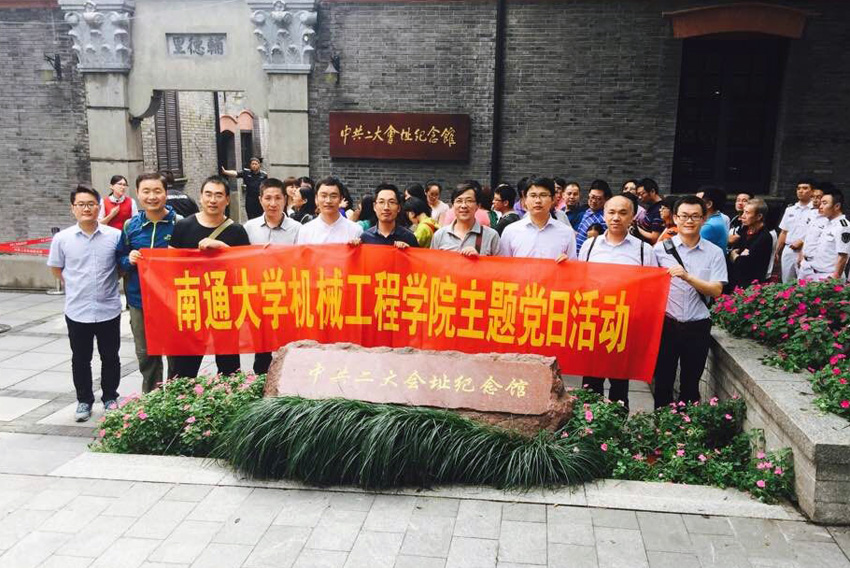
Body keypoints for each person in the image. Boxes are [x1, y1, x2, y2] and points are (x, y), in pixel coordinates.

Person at [48, 185, 122, 422]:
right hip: (77, 310)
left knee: (110, 357)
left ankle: (110, 397)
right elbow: (56, 269)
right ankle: (84, 400)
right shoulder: (62, 239)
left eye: (91, 204)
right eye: (81, 204)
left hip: (108, 308)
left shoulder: (115, 236)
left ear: (99, 207)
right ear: (73, 208)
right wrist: (75, 285)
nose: (86, 209)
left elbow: (120, 268)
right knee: (80, 359)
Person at [578, 195, 656, 410]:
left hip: (624, 324)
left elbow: (650, 290)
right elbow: (581, 281)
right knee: (590, 381)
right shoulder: (590, 246)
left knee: (620, 383)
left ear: (633, 217)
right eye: (611, 212)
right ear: (604, 215)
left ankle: (616, 425)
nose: (616, 218)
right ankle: (587, 421)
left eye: (623, 213)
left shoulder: (644, 250)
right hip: (593, 322)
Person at [170, 175, 250, 379]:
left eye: (218, 195)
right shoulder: (183, 226)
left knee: (229, 365)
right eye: (208, 194)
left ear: (227, 200)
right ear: (200, 197)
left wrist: (224, 248)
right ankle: (184, 397)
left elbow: (246, 268)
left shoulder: (237, 231)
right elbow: (170, 265)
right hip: (192, 305)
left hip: (224, 305)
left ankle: (229, 396)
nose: (213, 200)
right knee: (185, 366)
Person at [653, 195, 727, 408]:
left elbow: (716, 290)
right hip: (667, 324)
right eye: (684, 216)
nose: (689, 221)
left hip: (698, 326)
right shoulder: (659, 250)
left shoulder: (714, 252)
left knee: (691, 383)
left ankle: (687, 424)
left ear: (704, 219)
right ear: (675, 218)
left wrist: (687, 277)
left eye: (695, 216)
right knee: (663, 381)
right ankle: (662, 423)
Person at [115, 172, 179, 393]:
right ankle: (152, 398)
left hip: (173, 301)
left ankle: (176, 397)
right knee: (145, 354)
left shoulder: (179, 224)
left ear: (166, 193)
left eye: (157, 191)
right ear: (138, 193)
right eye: (146, 191)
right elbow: (119, 258)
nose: (152, 196)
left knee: (176, 353)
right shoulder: (130, 226)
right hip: (139, 300)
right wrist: (129, 259)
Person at [244, 178, 301, 375]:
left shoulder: (297, 228)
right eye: (268, 198)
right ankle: (261, 383)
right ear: (260, 200)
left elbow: (303, 262)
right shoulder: (249, 227)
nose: (273, 203)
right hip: (258, 297)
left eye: (278, 198)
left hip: (287, 296)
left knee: (288, 346)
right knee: (261, 349)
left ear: (285, 199)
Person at [498, 177, 576, 261]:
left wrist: (567, 264)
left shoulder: (567, 233)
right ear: (525, 199)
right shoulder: (510, 232)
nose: (538, 200)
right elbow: (504, 265)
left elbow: (574, 265)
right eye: (533, 195)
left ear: (553, 199)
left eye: (543, 195)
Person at [431, 182, 500, 256]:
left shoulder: (491, 236)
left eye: (469, 201)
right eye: (459, 201)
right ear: (453, 205)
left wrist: (480, 259)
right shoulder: (440, 235)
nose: (463, 206)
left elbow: (500, 262)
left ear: (477, 206)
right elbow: (432, 262)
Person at [799, 188, 850, 281]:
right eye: (821, 203)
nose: (820, 206)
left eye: (824, 203)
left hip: (828, 275)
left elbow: (843, 255)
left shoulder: (843, 226)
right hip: (812, 270)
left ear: (837, 206)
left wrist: (835, 277)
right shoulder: (826, 222)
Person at [296, 177, 364, 244]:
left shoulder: (355, 230)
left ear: (341, 199)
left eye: (333, 196)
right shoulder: (305, 231)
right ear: (316, 198)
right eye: (324, 196)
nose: (328, 201)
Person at [775, 179, 817, 283]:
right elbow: (784, 232)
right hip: (789, 249)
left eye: (805, 188)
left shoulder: (816, 210)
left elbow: (817, 233)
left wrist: (802, 241)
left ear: (812, 191)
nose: (801, 191)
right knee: (786, 282)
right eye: (798, 188)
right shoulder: (790, 209)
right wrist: (777, 251)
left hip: (806, 250)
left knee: (804, 282)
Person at [728, 199, 773, 289]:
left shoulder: (764, 237)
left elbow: (744, 263)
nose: (742, 216)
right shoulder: (744, 229)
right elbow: (735, 251)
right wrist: (737, 255)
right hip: (735, 280)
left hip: (751, 285)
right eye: (743, 212)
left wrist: (735, 256)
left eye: (747, 213)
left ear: (759, 216)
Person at [798, 185, 829, 275]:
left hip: (819, 263)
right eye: (812, 197)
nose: (815, 200)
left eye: (818, 197)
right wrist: (801, 254)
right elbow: (807, 237)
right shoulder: (811, 214)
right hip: (805, 260)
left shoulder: (829, 219)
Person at [575, 179, 611, 251]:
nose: (594, 201)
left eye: (598, 199)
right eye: (592, 197)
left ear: (606, 199)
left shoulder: (605, 219)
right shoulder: (588, 210)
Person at [695, 186, 729, 251]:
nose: (693, 204)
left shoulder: (709, 226)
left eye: (697, 201)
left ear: (709, 204)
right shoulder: (717, 218)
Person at [634, 178, 664, 245]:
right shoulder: (652, 207)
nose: (639, 197)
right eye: (638, 195)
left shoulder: (660, 210)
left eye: (642, 194)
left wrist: (636, 228)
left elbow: (654, 237)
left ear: (652, 191)